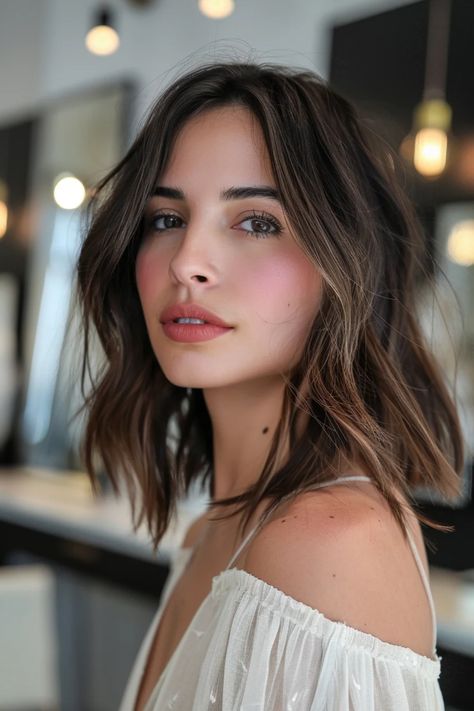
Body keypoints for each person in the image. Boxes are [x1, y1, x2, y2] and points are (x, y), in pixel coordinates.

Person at [74, 58, 465, 710]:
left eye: (257, 222)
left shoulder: (326, 546)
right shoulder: (217, 529)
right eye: (165, 219)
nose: (188, 262)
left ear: (345, 262)